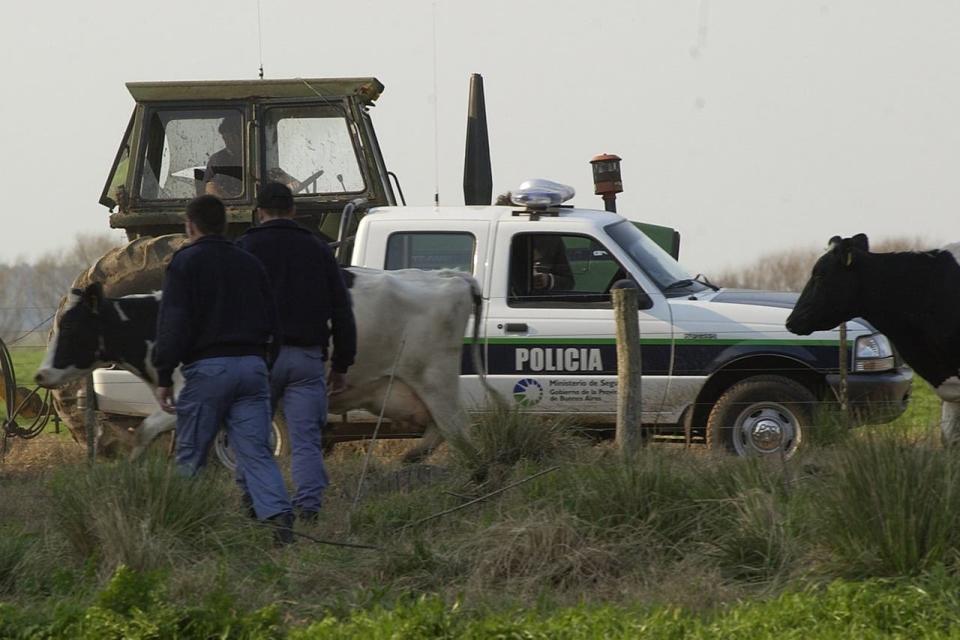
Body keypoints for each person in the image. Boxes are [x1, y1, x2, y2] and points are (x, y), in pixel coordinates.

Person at [153, 194, 295, 544]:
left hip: (208, 370)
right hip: (252, 367)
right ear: (225, 225)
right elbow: (273, 321)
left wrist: (162, 375)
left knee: (191, 453)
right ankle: (278, 518)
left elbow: (174, 323)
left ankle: (180, 528)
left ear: (190, 225)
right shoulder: (249, 262)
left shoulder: (184, 263)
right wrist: (264, 363)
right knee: (257, 453)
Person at [237, 182, 357, 522]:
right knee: (305, 440)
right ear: (293, 211)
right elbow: (341, 309)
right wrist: (342, 364)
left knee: (254, 437)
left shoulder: (245, 247)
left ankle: (254, 504)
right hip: (306, 358)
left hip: (259, 360)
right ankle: (308, 507)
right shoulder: (318, 249)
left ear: (259, 212)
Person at [203, 114, 244, 198]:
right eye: (225, 138)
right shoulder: (216, 160)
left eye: (234, 137)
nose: (228, 141)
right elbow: (207, 186)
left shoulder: (256, 157)